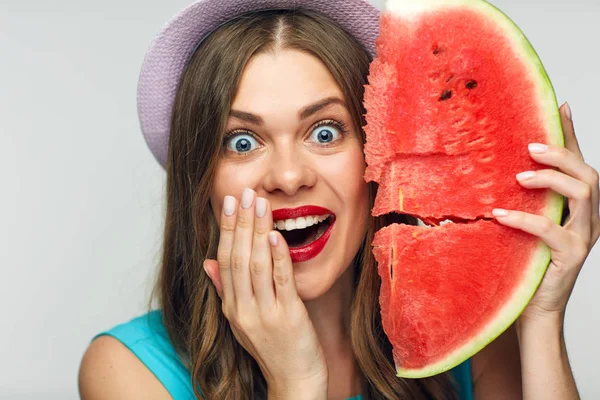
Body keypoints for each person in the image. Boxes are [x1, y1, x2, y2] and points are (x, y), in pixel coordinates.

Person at [78, 0, 600, 399]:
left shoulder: (467, 346)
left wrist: (542, 316)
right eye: (242, 141)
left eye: (325, 132)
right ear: (203, 182)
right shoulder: (126, 370)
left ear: (380, 154)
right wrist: (297, 381)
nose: (287, 176)